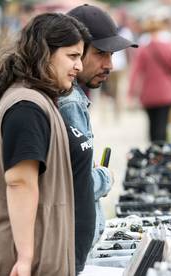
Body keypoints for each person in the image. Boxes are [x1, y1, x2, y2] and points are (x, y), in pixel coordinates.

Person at [0, 13, 91, 276]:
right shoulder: (27, 106)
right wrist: (26, 257)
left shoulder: (34, 100)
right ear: (43, 53)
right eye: (72, 56)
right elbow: (20, 182)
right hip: (29, 262)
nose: (79, 67)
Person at [58, 4, 138, 251]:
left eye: (112, 55)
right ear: (75, 51)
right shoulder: (67, 102)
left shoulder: (72, 97)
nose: (110, 64)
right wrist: (106, 176)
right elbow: (70, 186)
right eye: (101, 53)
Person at [129, 17, 171, 143]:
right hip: (167, 91)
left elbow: (136, 71)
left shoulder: (143, 48)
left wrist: (131, 92)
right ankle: (161, 153)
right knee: (163, 125)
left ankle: (153, 152)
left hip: (148, 93)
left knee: (152, 125)